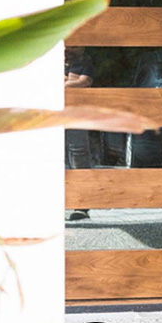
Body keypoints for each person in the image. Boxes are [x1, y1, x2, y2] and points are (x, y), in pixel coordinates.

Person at [64, 47, 95, 221]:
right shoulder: (54, 58)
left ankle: (82, 205)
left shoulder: (85, 61)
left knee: (78, 153)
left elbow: (84, 81)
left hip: (77, 113)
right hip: (53, 112)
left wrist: (65, 83)